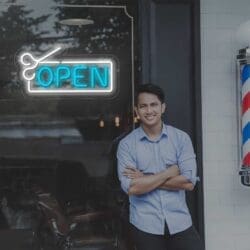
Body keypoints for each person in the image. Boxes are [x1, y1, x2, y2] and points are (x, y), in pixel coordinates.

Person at [116, 84, 204, 250]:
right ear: (137, 110)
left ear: (163, 107)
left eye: (153, 105)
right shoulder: (126, 145)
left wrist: (145, 178)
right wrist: (169, 173)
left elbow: (188, 182)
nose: (149, 111)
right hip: (145, 225)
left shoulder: (181, 139)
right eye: (143, 106)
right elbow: (132, 187)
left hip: (180, 222)